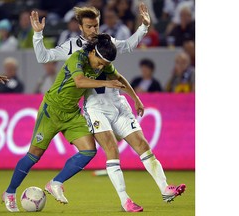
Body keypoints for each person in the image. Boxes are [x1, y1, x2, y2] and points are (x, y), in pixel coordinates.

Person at [30, 4, 185, 212]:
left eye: (96, 25)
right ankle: (125, 200)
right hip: (95, 107)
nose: (94, 30)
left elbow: (127, 50)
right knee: (112, 150)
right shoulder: (72, 48)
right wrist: (38, 35)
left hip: (117, 102)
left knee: (142, 145)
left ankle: (165, 189)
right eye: (89, 26)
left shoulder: (107, 42)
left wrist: (144, 28)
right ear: (80, 27)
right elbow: (43, 58)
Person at [2, 34, 126, 212]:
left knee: (89, 151)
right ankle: (10, 192)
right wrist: (107, 82)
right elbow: (79, 81)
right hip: (51, 111)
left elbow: (119, 78)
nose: (100, 67)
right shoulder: (77, 57)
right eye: (99, 63)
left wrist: (136, 98)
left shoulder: (103, 63)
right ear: (92, 52)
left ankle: (56, 183)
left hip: (71, 114)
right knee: (34, 155)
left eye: (104, 66)